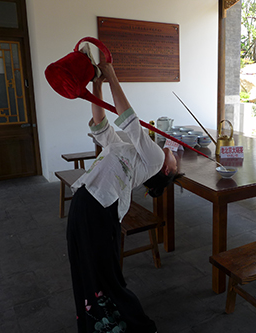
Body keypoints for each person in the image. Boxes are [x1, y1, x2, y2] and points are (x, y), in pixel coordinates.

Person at [66, 62, 180, 333]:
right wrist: (97, 83)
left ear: (166, 169)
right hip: (84, 202)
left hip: (100, 210)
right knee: (85, 268)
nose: (174, 154)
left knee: (108, 275)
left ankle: (139, 326)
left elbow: (129, 119)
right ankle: (98, 323)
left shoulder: (153, 160)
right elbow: (100, 123)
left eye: (176, 163)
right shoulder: (126, 148)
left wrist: (113, 74)